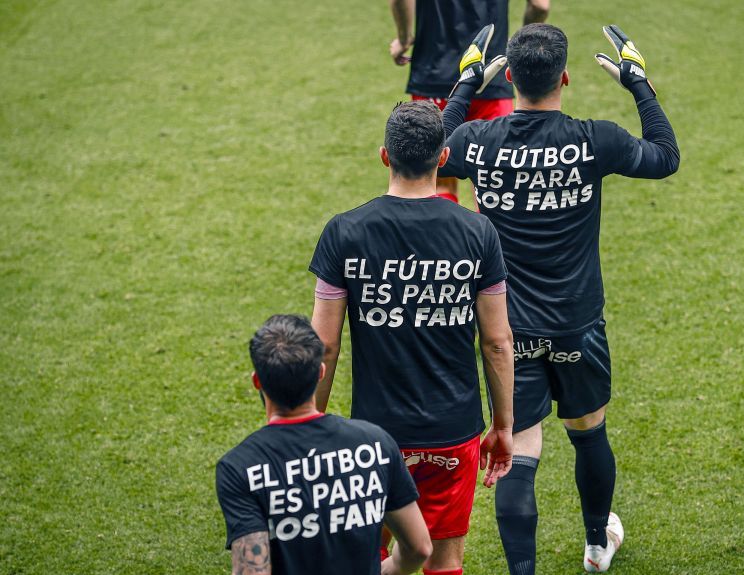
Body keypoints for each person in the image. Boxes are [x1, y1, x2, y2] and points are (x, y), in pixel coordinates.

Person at [438, 23, 680, 574]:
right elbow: (666, 155)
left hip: (509, 332)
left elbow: (434, 147)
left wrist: (466, 84)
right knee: (588, 430)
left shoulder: (481, 142)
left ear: (512, 79)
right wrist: (638, 83)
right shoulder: (594, 139)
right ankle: (597, 545)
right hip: (577, 324)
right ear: (565, 78)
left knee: (518, 450)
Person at [309, 97, 516, 575]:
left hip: (375, 434)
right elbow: (497, 342)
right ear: (444, 158)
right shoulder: (478, 232)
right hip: (453, 431)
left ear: (385, 155)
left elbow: (325, 345)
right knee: (443, 563)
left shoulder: (344, 232)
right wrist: (503, 425)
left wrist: (313, 424)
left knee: (369, 554)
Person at [215, 314, 432, 575]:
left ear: (257, 381)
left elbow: (253, 571)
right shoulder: (375, 444)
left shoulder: (240, 466)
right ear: (320, 372)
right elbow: (419, 547)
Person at [388, 0, 550, 203]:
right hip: (491, 74)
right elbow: (540, 5)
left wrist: (404, 38)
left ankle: (442, 235)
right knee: (495, 185)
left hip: (435, 73)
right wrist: (522, 40)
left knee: (437, 178)